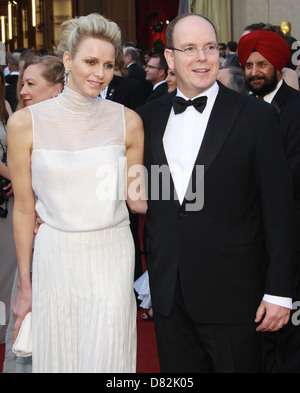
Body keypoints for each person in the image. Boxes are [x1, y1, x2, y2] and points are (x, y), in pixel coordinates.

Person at [136, 13, 296, 373]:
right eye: (190, 48)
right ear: (170, 57)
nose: (203, 57)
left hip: (235, 298)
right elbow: (150, 196)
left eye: (209, 47)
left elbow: (280, 213)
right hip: (169, 297)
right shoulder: (147, 118)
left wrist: (279, 292)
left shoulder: (256, 117)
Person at [7, 13, 146, 373]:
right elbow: (24, 209)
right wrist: (26, 285)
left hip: (111, 254)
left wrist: (200, 182)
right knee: (61, 358)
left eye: (108, 65)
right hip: (56, 256)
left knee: (108, 357)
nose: (99, 73)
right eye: (90, 62)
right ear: (68, 60)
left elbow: (137, 198)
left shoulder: (127, 121)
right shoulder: (25, 123)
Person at [238, 29, 300, 373]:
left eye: (262, 64)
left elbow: (289, 176)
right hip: (245, 243)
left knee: (286, 338)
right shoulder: (238, 108)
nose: (254, 72)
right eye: (248, 65)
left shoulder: (297, 110)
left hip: (287, 238)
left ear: (278, 64)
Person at [3, 55, 64, 374]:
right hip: (35, 242)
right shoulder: (22, 125)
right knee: (27, 327)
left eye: (31, 84)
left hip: (64, 243)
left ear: (57, 89)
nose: (23, 90)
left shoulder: (72, 130)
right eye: (22, 83)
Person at [0, 66, 14, 347]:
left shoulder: (4, 105)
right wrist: (19, 176)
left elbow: (14, 143)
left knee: (9, 266)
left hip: (9, 197)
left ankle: (4, 327)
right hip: (9, 185)